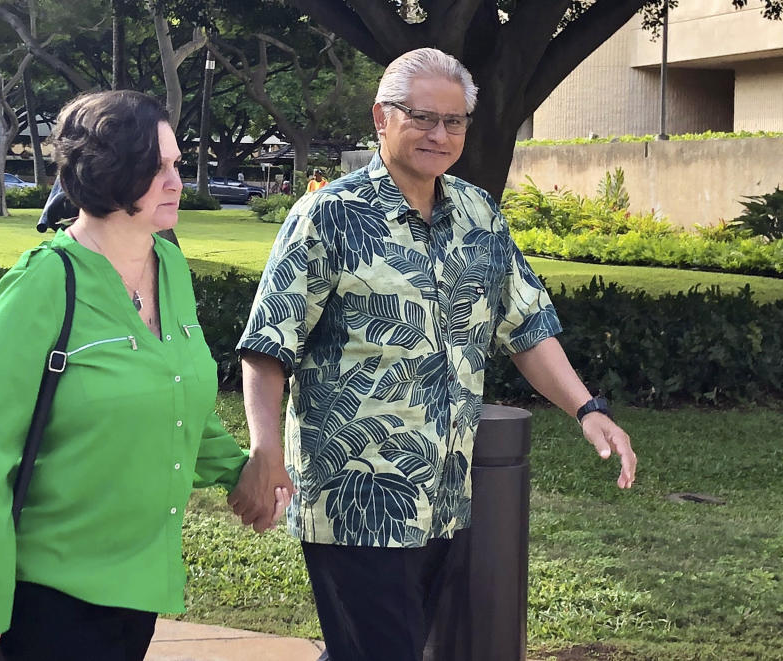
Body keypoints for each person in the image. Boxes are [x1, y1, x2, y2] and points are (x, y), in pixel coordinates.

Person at [227, 48, 637, 661]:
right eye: (421, 117)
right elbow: (267, 346)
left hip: (444, 500)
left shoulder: (479, 214)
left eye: (454, 122)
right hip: (354, 500)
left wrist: (587, 409)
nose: (438, 135)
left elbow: (527, 326)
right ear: (381, 119)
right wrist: (264, 451)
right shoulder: (328, 216)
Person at [0, 90, 288, 661]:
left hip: (137, 588)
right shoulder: (43, 284)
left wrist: (240, 473)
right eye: (158, 168)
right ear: (109, 172)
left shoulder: (169, 264)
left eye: (176, 164)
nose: (176, 181)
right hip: (47, 595)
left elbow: (178, 395)